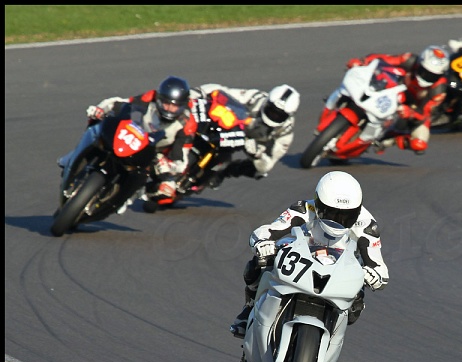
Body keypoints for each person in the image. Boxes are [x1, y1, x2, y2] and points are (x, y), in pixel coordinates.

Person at [230, 171, 388, 339]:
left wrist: (375, 275)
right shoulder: (304, 209)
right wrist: (262, 242)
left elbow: (379, 266)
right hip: (302, 259)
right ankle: (250, 307)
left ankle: (332, 336)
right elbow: (268, 230)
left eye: (346, 216)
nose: (338, 220)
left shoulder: (366, 225)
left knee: (356, 305)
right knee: (260, 262)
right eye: (331, 213)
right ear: (319, 204)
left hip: (341, 268)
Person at [57, 75, 198, 207]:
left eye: (175, 106)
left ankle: (124, 198)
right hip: (132, 135)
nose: (170, 109)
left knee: (166, 190)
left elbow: (181, 161)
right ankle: (74, 155)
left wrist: (169, 165)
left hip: (154, 154)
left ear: (183, 105)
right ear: (159, 98)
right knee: (98, 127)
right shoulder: (149, 99)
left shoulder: (187, 124)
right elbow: (120, 104)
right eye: (166, 103)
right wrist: (100, 109)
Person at [345, 45, 450, 155]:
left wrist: (411, 113)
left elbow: (425, 114)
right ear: (419, 63)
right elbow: (381, 58)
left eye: (432, 76)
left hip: (413, 107)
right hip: (395, 89)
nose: (426, 77)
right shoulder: (409, 59)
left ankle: (389, 140)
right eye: (424, 71)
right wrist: (363, 62)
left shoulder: (439, 91)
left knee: (419, 144)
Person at [189, 83, 300, 183]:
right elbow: (222, 91)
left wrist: (257, 155)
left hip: (256, 145)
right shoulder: (255, 98)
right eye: (271, 110)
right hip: (237, 127)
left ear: (289, 116)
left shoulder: (285, 133)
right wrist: (198, 92)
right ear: (267, 102)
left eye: (280, 115)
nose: (273, 116)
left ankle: (225, 172)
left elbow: (267, 165)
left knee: (258, 172)